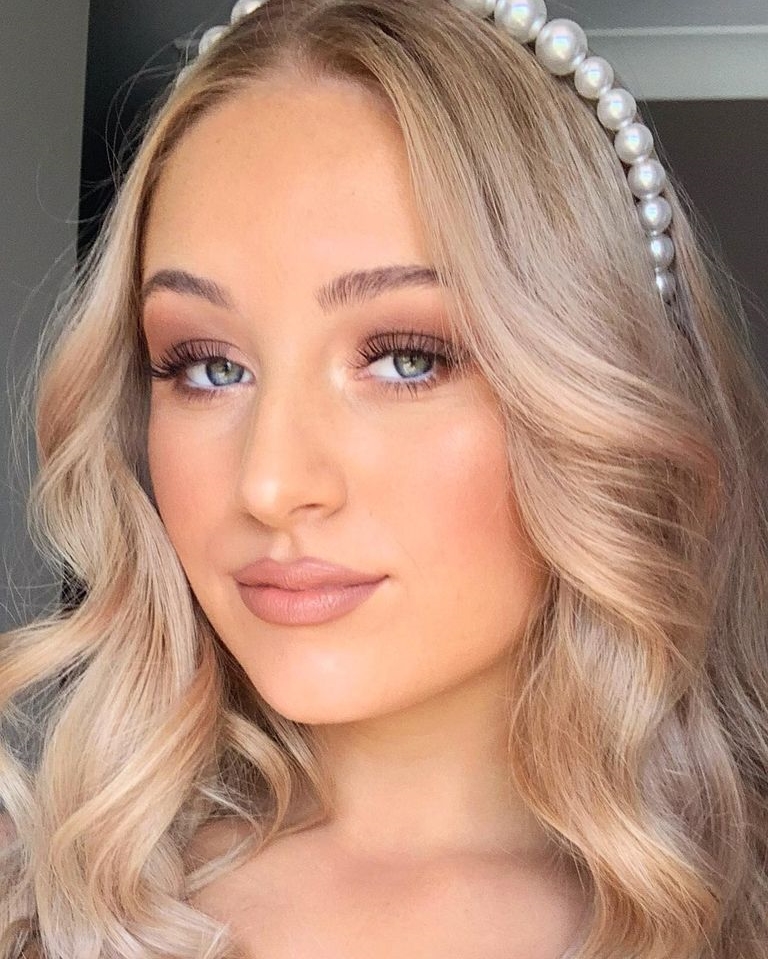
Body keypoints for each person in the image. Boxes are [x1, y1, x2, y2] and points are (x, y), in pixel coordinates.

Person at [1, 1, 767, 957]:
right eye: (208, 365)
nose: (270, 484)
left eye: (407, 357)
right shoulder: (43, 910)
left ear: (598, 395)